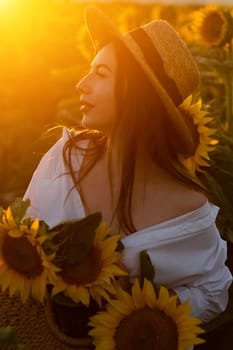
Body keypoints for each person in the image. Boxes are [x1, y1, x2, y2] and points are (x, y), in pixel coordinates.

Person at [23, 7, 232, 327]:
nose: (81, 83)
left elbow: (214, 290)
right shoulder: (65, 157)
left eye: (101, 73)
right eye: (88, 70)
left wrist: (149, 309)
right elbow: (22, 246)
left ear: (139, 93)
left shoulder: (189, 209)